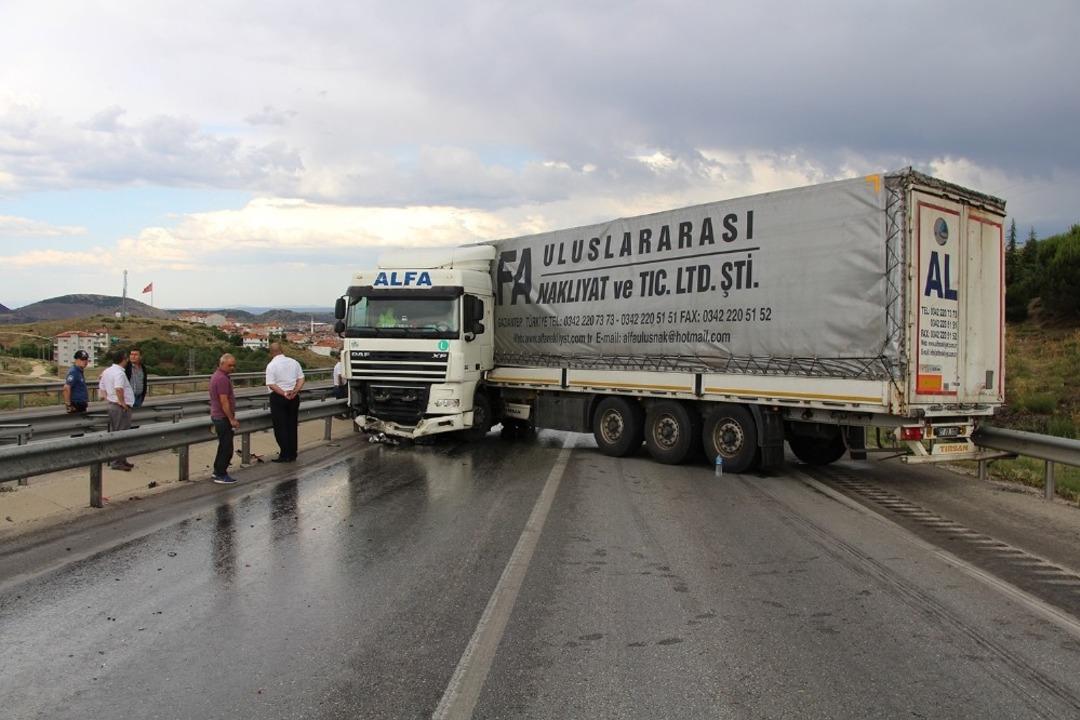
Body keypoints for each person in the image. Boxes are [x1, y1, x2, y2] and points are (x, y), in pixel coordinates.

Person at [265, 342, 305, 462]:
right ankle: (293, 453)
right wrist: (295, 391)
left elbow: (271, 384)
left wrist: (284, 393)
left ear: (271, 352)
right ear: (282, 350)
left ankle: (285, 454)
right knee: (292, 425)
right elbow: (301, 378)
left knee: (280, 427)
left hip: (279, 397)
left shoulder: (271, 365)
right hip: (294, 397)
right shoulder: (294, 362)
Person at [99, 349, 135, 471]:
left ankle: (122, 459)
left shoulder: (107, 371)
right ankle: (117, 462)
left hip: (113, 405)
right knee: (121, 435)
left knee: (119, 434)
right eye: (126, 358)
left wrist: (109, 398)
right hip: (120, 407)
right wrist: (122, 403)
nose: (128, 360)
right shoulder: (119, 373)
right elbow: (119, 388)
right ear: (123, 360)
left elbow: (102, 387)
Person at [209, 353, 240, 484]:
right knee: (226, 448)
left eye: (233, 365)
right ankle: (220, 474)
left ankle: (218, 471)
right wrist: (231, 419)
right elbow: (224, 401)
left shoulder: (218, 376)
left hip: (219, 416)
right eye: (229, 365)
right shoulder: (222, 379)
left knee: (224, 446)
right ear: (221, 364)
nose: (232, 368)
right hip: (222, 417)